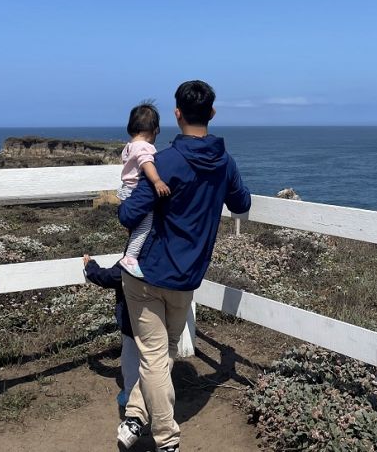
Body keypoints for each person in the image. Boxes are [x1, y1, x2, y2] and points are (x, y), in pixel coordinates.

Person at [116, 80, 251, 452]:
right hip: (186, 276)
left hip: (146, 273)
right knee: (164, 352)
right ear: (212, 113)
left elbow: (129, 215)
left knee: (154, 355)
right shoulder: (224, 163)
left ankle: (166, 439)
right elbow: (241, 204)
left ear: (177, 114)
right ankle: (136, 416)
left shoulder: (165, 161)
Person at [118, 101, 171, 278]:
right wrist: (157, 181)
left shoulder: (129, 146)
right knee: (145, 227)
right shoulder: (145, 147)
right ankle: (130, 258)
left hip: (125, 190)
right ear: (154, 130)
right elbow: (146, 162)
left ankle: (131, 252)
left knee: (136, 225)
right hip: (135, 190)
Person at [82, 254, 139, 408]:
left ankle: (132, 397)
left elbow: (111, 277)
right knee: (155, 359)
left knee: (131, 360)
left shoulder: (137, 254)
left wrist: (91, 267)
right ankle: (158, 396)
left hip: (132, 319)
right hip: (160, 318)